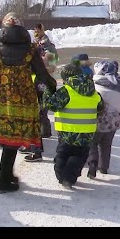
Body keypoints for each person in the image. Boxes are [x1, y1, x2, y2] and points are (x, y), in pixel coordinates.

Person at [0, 12, 56, 193]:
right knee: (13, 143)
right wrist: (54, 87)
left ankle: (7, 177)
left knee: (9, 142)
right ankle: (3, 181)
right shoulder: (30, 49)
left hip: (1, 102)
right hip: (24, 101)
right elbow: (42, 74)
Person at [43, 61, 104, 189]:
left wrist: (48, 92)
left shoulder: (66, 91)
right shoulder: (93, 91)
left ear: (66, 79)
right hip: (86, 133)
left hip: (67, 132)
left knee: (62, 154)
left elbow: (52, 105)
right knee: (79, 156)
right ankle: (69, 178)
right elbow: (100, 107)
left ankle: (63, 176)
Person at [87, 61, 120, 178]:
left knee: (92, 143)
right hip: (115, 120)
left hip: (98, 120)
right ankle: (104, 167)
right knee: (106, 144)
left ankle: (93, 164)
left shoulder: (96, 82)